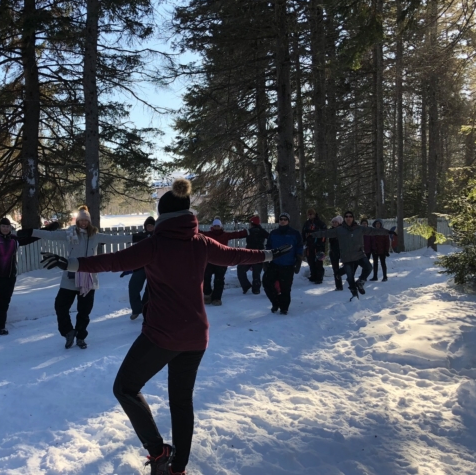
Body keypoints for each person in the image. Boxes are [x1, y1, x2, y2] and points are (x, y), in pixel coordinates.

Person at [36, 179, 291, 475]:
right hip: (196, 336)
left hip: (162, 336)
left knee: (125, 387)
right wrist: (270, 254)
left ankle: (159, 453)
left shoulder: (155, 244)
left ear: (163, 216)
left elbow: (113, 261)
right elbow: (235, 255)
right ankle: (177, 468)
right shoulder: (202, 243)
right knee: (181, 403)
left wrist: (72, 264)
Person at [21, 206, 133, 349]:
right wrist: (31, 232)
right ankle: (68, 332)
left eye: (86, 220)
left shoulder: (95, 235)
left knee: (84, 311)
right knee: (60, 306)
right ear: (77, 221)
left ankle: (81, 337)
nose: (83, 223)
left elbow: (115, 239)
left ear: (89, 221)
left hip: (88, 277)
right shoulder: (70, 234)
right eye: (81, 220)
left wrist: (137, 237)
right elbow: (50, 235)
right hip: (70, 277)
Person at [311, 211, 394, 299]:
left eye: (350, 216)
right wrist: (312, 234)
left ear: (353, 218)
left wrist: (388, 232)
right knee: (350, 278)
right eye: (346, 216)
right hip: (347, 257)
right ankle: (354, 296)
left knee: (369, 267)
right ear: (344, 218)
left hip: (359, 255)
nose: (348, 218)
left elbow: (373, 231)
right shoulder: (339, 230)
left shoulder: (359, 228)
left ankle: (360, 282)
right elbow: (326, 233)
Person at [263, 213, 305, 315]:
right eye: (281, 219)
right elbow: (268, 247)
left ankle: (284, 307)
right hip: (274, 263)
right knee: (267, 283)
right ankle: (275, 303)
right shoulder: (273, 233)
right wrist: (265, 260)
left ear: (288, 221)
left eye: (285, 219)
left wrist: (299, 260)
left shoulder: (294, 233)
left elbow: (299, 247)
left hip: (288, 265)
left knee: (285, 287)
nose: (282, 221)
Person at [200, 218, 248, 305]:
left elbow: (235, 235)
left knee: (219, 279)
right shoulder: (208, 235)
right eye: (215, 226)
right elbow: (199, 233)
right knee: (206, 278)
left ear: (221, 226)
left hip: (222, 261)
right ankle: (207, 294)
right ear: (212, 227)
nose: (216, 227)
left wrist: (246, 232)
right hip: (209, 261)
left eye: (218, 226)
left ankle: (216, 298)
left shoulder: (225, 235)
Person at [128, 216, 156, 320]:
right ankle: (136, 309)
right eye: (148, 225)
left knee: (150, 290)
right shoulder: (139, 236)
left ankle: (145, 308)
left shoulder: (158, 236)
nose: (150, 227)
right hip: (140, 267)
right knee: (133, 287)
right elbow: (132, 250)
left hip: (154, 267)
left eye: (152, 225)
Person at [236, 215, 269, 295]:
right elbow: (270, 238)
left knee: (241, 269)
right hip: (258, 254)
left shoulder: (249, 231)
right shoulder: (262, 231)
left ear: (252, 223)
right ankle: (256, 289)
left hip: (249, 254)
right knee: (256, 273)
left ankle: (246, 286)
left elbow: (240, 235)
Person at [302, 208, 327, 284]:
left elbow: (324, 234)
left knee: (318, 262)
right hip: (309, 246)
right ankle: (313, 276)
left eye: (311, 214)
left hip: (318, 246)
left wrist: (321, 243)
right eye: (308, 214)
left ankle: (319, 277)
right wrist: (304, 241)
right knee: (311, 261)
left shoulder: (320, 223)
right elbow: (303, 233)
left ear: (314, 214)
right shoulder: (306, 224)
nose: (310, 216)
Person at [329, 216, 344, 291]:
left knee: (347, 267)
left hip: (341, 251)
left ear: (339, 223)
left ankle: (351, 282)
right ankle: (338, 286)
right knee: (335, 269)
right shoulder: (330, 230)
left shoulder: (343, 230)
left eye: (336, 222)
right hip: (333, 252)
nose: (334, 223)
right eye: (333, 222)